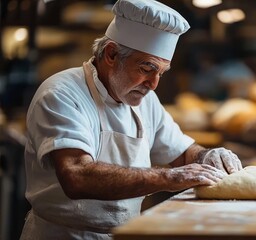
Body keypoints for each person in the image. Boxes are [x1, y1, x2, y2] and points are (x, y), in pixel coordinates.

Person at [20, 0, 242, 239]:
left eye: (161, 73)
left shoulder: (146, 102)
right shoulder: (62, 94)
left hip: (125, 234)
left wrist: (206, 156)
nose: (153, 84)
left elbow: (182, 152)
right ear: (112, 54)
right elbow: (76, 176)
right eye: (147, 69)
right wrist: (168, 177)